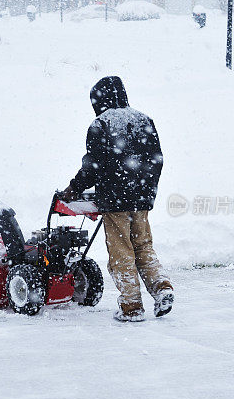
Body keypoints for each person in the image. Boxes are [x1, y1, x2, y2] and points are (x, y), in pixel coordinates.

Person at [60, 75, 173, 322]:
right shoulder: (144, 119)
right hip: (141, 199)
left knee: (122, 251)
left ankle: (131, 307)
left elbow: (93, 166)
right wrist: (145, 192)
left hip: (115, 202)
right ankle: (162, 287)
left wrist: (73, 187)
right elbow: (157, 160)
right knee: (143, 246)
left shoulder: (101, 124)